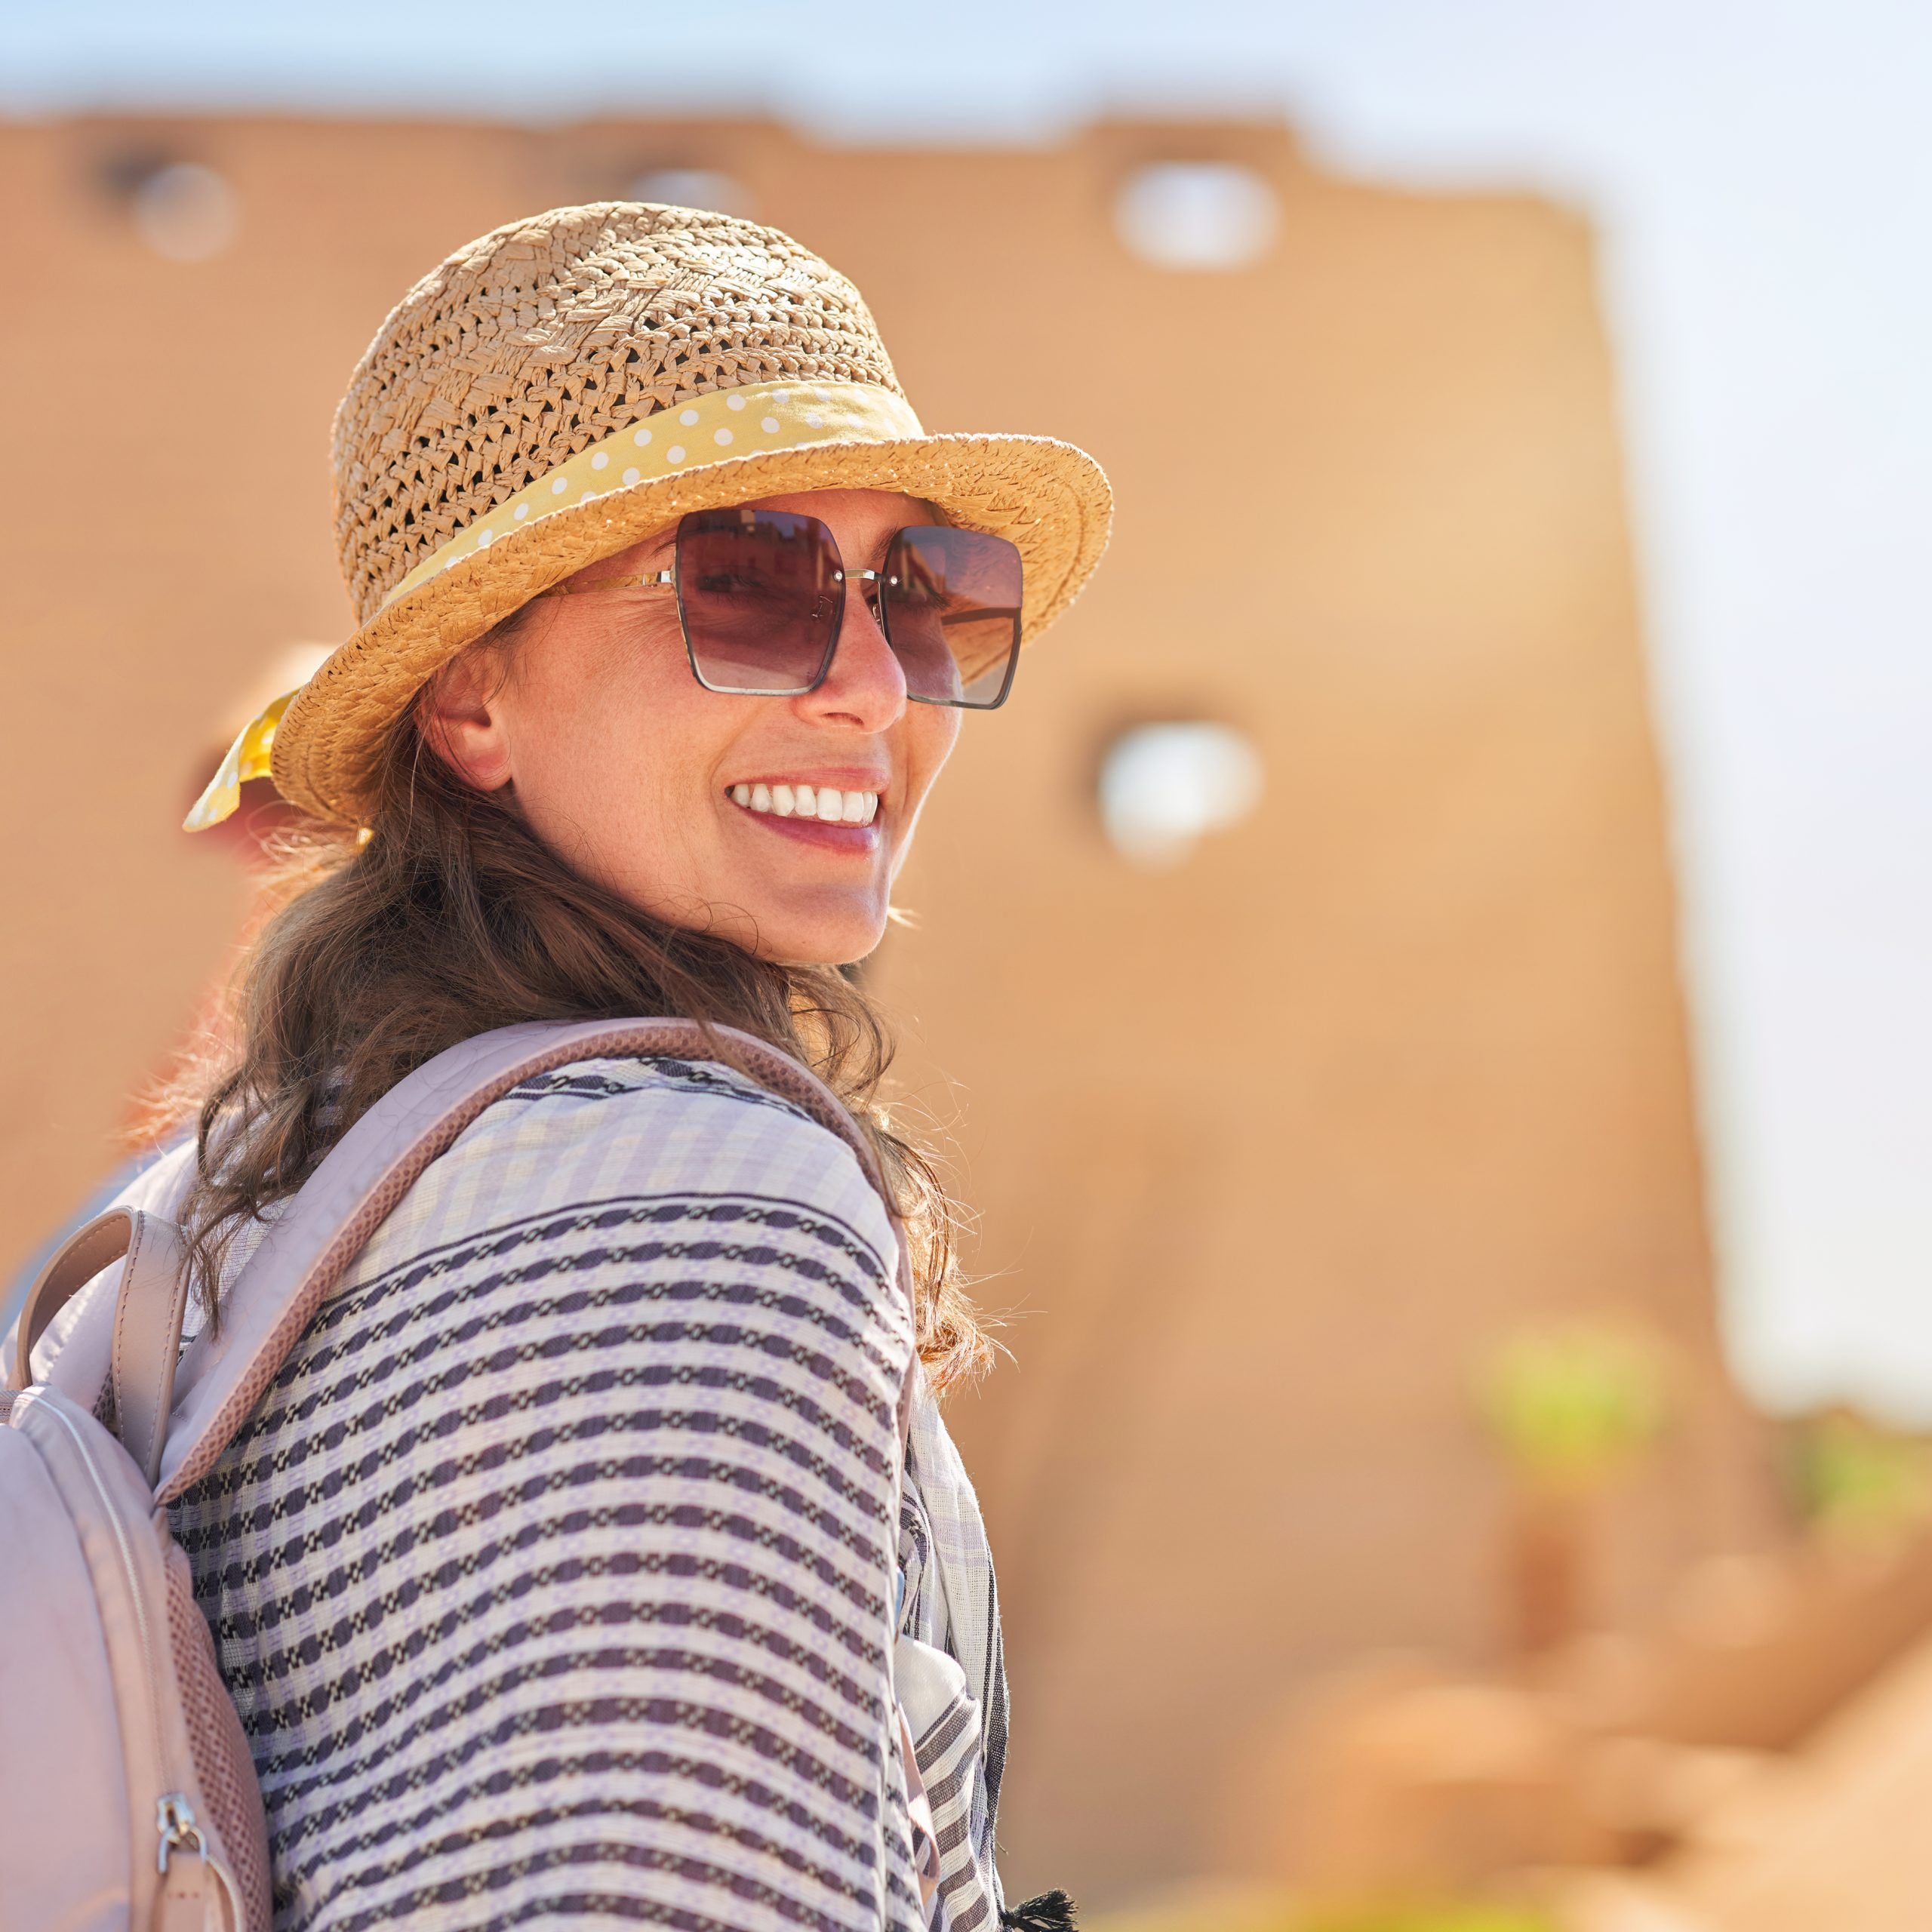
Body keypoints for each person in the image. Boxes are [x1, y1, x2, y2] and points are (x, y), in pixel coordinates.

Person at [42, 204, 1109, 1930]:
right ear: (471, 702)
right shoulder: (691, 1190)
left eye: (922, 597)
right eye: (746, 581)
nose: (868, 687)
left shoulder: (265, 1189)